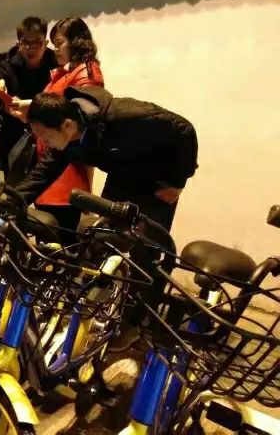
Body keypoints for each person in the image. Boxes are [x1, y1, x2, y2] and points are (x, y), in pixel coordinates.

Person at [18, 90, 198, 350]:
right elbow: (44, 171)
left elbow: (184, 129)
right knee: (99, 240)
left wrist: (178, 181)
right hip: (122, 178)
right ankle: (89, 310)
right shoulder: (70, 138)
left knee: (146, 256)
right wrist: (12, 200)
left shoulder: (127, 116)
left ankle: (133, 324)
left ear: (67, 125)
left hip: (158, 187)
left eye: (45, 136)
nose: (44, 143)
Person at [33, 16, 104, 236]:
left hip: (67, 169)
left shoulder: (87, 73)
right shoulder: (63, 73)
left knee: (62, 238)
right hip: (50, 164)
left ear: (77, 41)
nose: (56, 49)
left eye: (59, 43)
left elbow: (83, 122)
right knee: (46, 236)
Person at [0, 16, 58, 182]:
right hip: (16, 140)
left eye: (37, 43)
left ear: (46, 43)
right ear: (19, 44)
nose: (32, 48)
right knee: (15, 190)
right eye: (26, 43)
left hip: (51, 140)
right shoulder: (7, 65)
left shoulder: (56, 64)